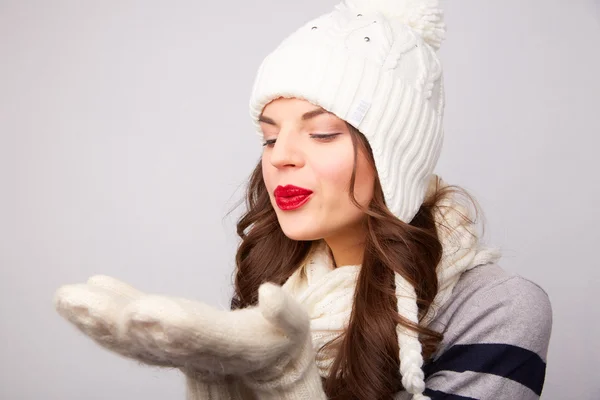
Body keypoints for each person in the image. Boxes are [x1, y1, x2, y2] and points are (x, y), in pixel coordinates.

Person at [53, 0, 553, 399]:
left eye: (323, 134)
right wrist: (212, 375)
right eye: (270, 138)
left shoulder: (499, 307)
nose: (281, 159)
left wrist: (288, 381)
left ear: (396, 156)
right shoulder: (278, 285)